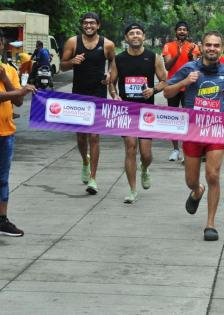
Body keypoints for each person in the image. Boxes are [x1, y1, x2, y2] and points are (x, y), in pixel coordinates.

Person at [164, 31, 224, 241]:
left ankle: (210, 224)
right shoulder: (189, 69)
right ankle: (197, 191)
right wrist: (184, 83)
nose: (212, 49)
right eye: (208, 45)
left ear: (222, 48)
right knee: (191, 180)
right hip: (193, 130)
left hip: (217, 129)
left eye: (216, 45)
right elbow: (167, 92)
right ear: (202, 47)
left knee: (213, 175)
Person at [109, 23, 167, 204]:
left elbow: (165, 80)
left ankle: (145, 168)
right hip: (126, 110)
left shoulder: (153, 57)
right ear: (126, 37)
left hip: (147, 112)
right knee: (130, 148)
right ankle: (132, 190)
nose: (135, 36)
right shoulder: (118, 59)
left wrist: (154, 90)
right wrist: (114, 95)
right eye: (131, 33)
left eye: (138, 33)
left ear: (144, 36)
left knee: (146, 154)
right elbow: (111, 81)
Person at [60, 12, 115, 195]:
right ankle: (85, 160)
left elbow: (113, 63)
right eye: (85, 23)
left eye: (92, 23)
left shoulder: (107, 44)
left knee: (94, 136)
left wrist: (109, 74)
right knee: (81, 136)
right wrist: (72, 62)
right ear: (82, 25)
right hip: (79, 93)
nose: (89, 25)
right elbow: (62, 66)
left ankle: (93, 178)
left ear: (98, 25)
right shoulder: (73, 42)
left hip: (98, 93)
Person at [0, 30, 37, 237]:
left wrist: (5, 77)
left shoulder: (9, 70)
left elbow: (19, 102)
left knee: (3, 179)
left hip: (6, 133)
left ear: (3, 46)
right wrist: (19, 91)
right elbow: (16, 95)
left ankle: (2, 220)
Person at [162, 21, 200, 161]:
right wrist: (177, 54)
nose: (182, 32)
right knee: (173, 117)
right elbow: (167, 66)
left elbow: (195, 65)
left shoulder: (194, 46)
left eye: (184, 29)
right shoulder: (168, 46)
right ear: (176, 31)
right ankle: (175, 149)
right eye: (180, 29)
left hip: (190, 86)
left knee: (189, 118)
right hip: (173, 85)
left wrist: (190, 57)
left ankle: (187, 150)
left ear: (187, 32)